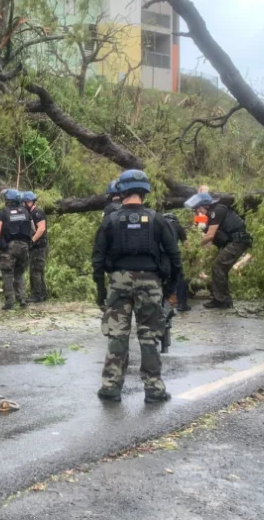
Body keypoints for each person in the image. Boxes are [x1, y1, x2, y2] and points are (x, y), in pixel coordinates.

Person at [91, 169, 181, 403]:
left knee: (117, 335)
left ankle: (111, 387)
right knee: (149, 336)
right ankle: (154, 389)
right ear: (144, 192)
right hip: (151, 282)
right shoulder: (157, 219)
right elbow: (174, 257)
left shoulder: (110, 220)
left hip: (118, 281)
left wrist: (101, 290)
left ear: (121, 191)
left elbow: (98, 258)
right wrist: (170, 289)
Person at [184, 191, 252, 310]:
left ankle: (221, 300)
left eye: (198, 209)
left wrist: (195, 246)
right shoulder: (210, 214)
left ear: (205, 205)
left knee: (218, 266)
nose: (198, 212)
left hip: (238, 241)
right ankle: (223, 299)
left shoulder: (217, 210)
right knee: (220, 268)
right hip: (231, 242)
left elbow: (210, 235)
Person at [0, 189, 32, 310]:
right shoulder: (26, 212)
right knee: (19, 273)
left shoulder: (2, 213)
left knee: (7, 274)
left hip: (9, 247)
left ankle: (10, 301)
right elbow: (33, 229)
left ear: (7, 200)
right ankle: (23, 299)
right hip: (24, 247)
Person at [23, 191, 49, 303]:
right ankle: (43, 293)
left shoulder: (37, 212)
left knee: (36, 270)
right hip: (36, 246)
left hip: (39, 246)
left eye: (24, 202)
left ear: (29, 202)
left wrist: (32, 241)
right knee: (37, 270)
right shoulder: (29, 213)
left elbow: (41, 228)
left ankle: (37, 294)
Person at [162, 212, 191, 311]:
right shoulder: (178, 226)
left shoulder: (158, 225)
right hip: (173, 254)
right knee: (180, 277)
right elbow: (187, 245)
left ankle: (160, 303)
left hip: (160, 256)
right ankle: (182, 304)